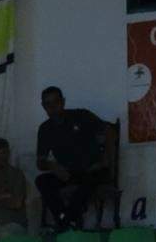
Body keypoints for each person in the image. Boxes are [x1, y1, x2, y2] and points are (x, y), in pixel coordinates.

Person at [33, 86, 116, 231]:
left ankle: (65, 222)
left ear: (63, 102)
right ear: (43, 106)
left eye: (56, 102)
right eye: (48, 104)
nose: (53, 107)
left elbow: (109, 131)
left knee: (89, 181)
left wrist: (106, 160)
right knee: (42, 181)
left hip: (93, 169)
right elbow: (40, 161)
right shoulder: (45, 129)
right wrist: (52, 166)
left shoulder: (81, 115)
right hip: (69, 173)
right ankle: (67, 219)